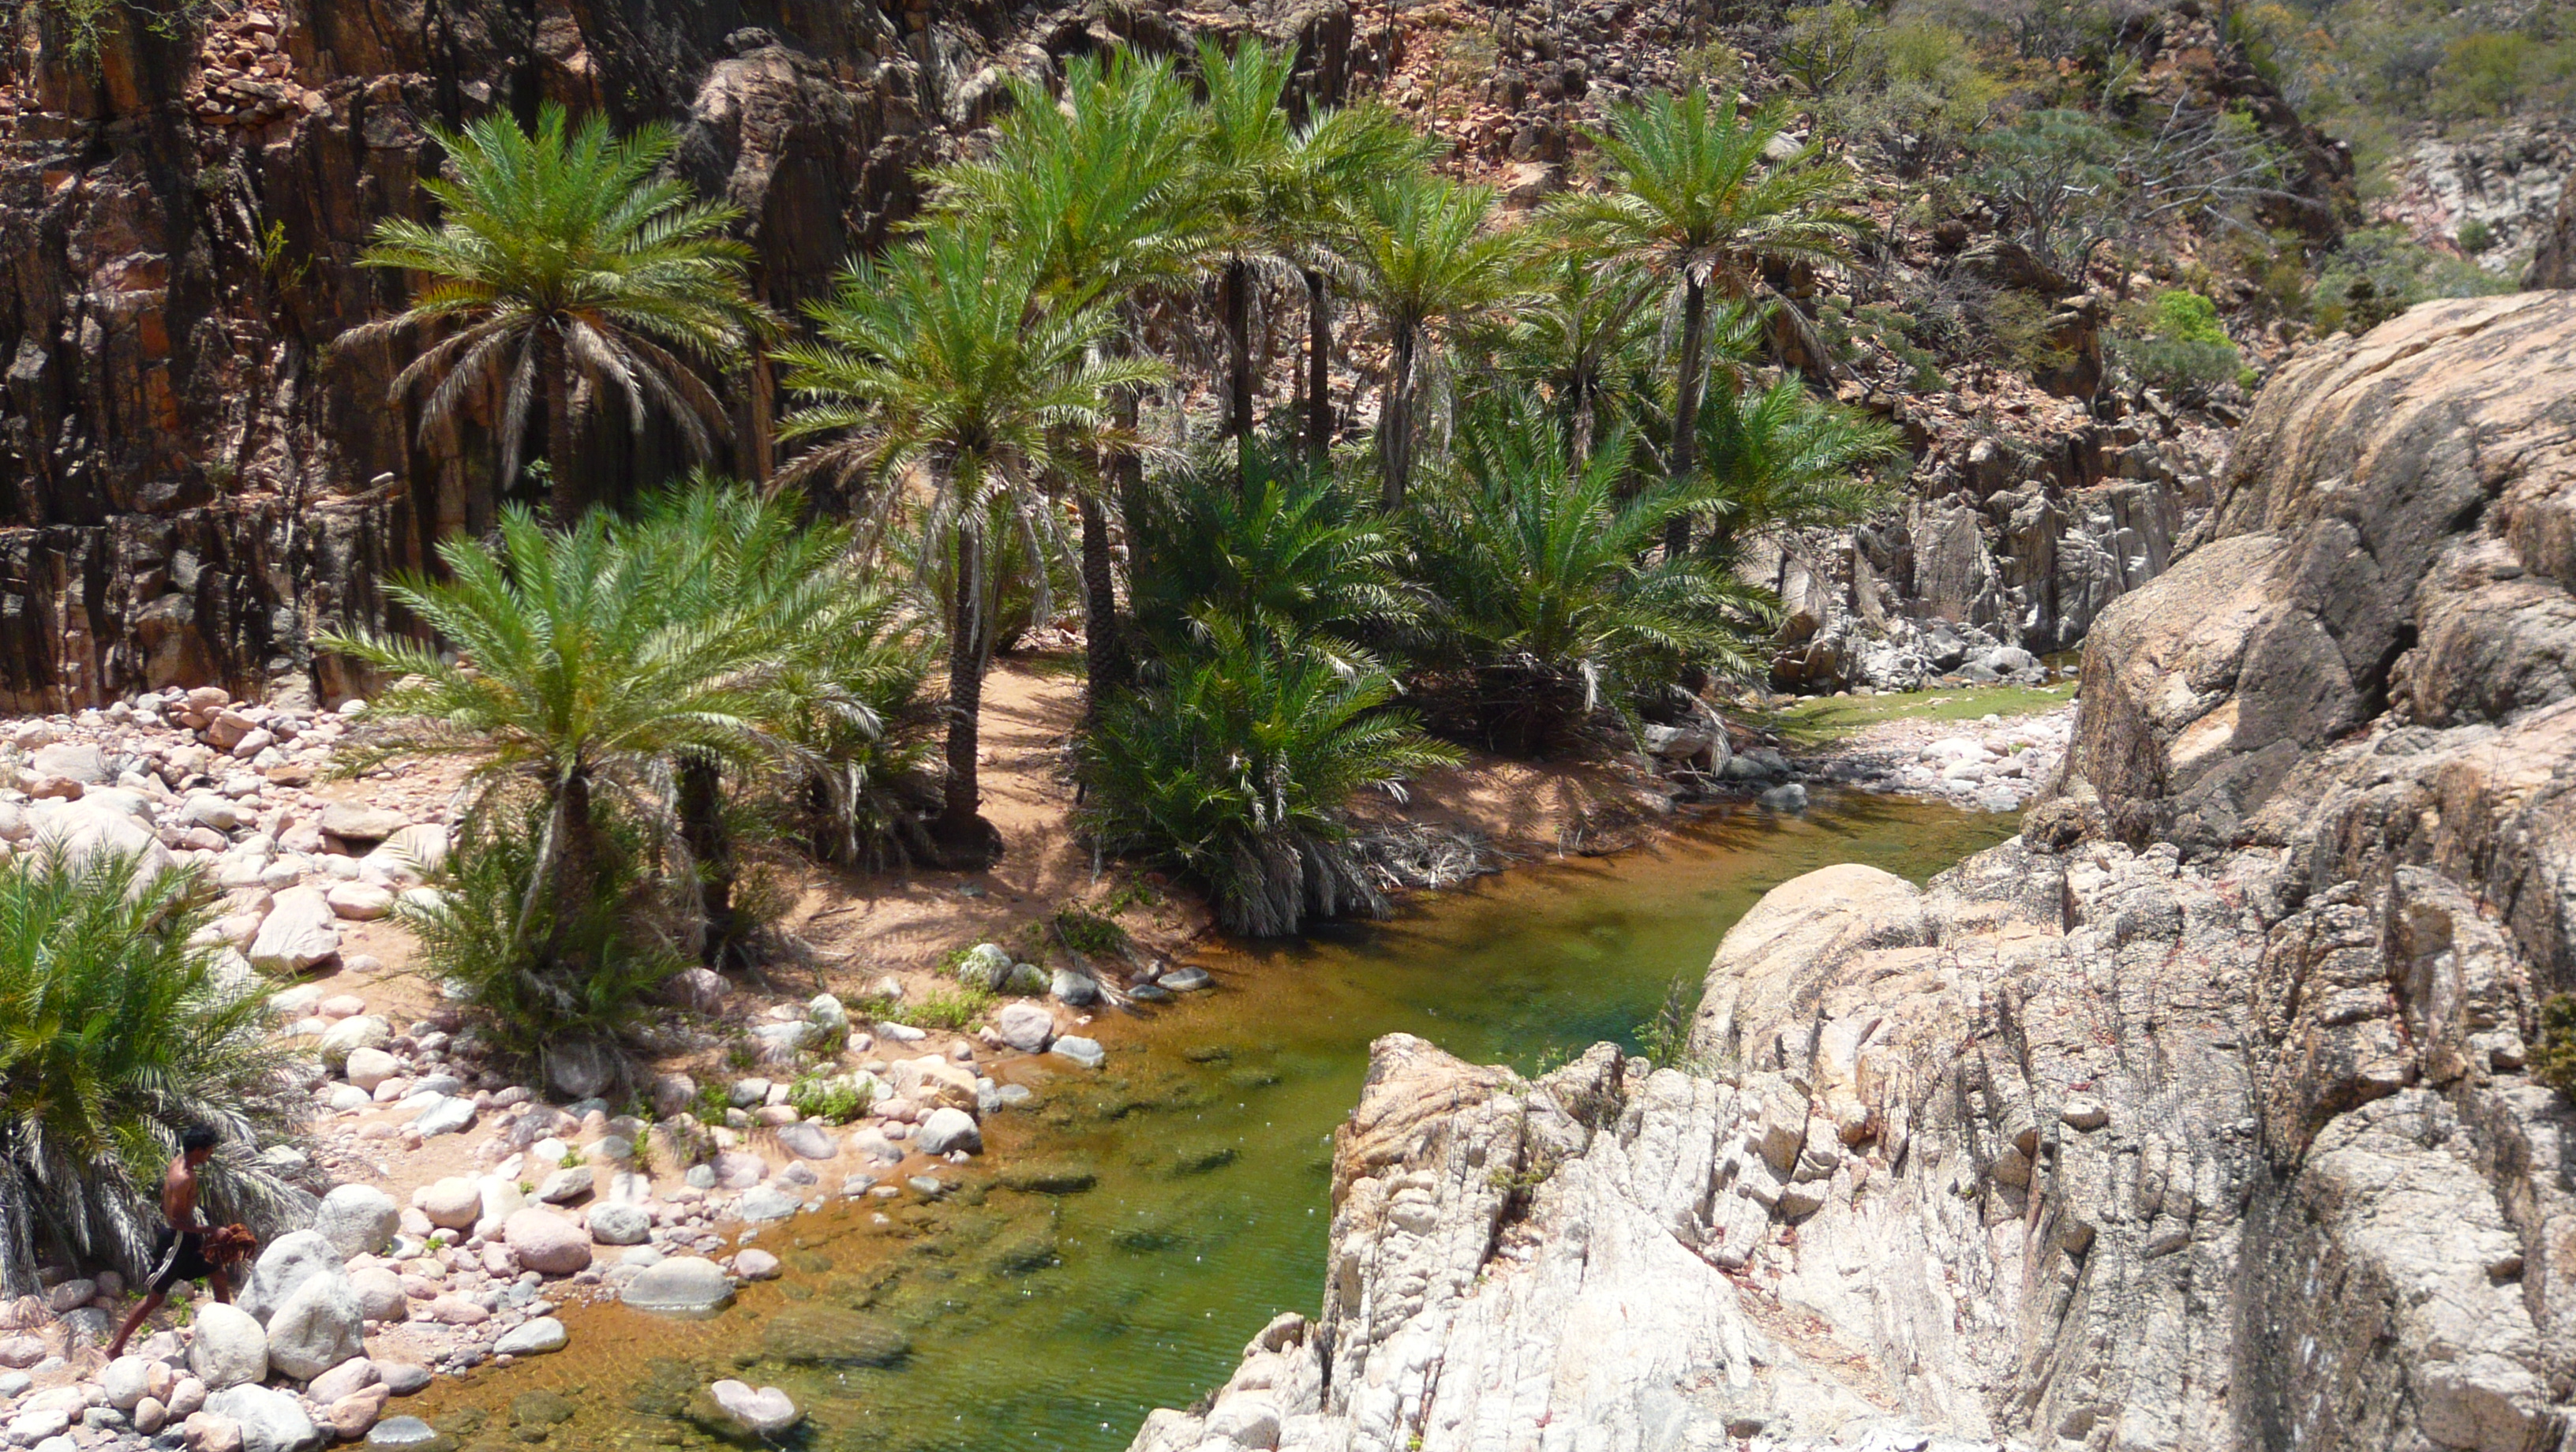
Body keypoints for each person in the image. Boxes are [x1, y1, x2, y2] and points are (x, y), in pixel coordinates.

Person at [104, 1125, 233, 1359]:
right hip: (177, 1241)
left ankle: (229, 1330)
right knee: (156, 1297)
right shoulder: (184, 1178)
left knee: (218, 1273)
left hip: (188, 1238)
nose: (211, 1154)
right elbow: (175, 1221)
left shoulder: (180, 1161)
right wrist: (212, 1230)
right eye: (209, 1150)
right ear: (198, 1150)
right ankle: (115, 1347)